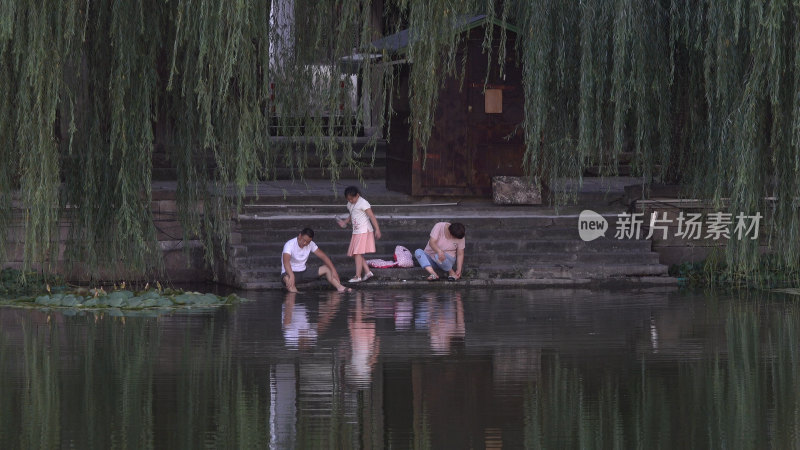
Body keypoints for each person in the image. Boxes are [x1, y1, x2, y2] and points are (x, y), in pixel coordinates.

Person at [281, 228, 351, 293]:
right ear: (300, 236)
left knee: (327, 268)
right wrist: (291, 275)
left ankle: (340, 287)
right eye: (304, 240)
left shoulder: (311, 244)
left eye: (308, 242)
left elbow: (324, 256)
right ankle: (296, 295)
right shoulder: (289, 245)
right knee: (287, 279)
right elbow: (286, 263)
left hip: (303, 272)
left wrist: (334, 271)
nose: (305, 243)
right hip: (289, 272)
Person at [336, 186, 382, 283]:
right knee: (354, 253)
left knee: (357, 253)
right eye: (348, 199)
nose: (350, 200)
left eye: (352, 198)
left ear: (357, 195)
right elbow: (352, 214)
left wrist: (377, 229)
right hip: (356, 231)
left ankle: (358, 276)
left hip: (364, 231)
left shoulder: (363, 203)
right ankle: (368, 272)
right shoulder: (350, 204)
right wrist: (345, 222)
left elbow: (372, 216)